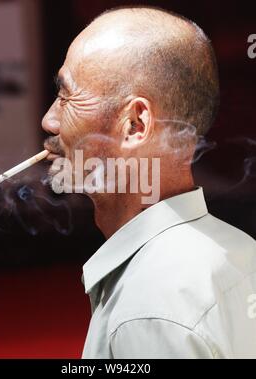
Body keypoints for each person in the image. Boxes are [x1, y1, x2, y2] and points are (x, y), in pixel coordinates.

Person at [42, 6, 256, 358]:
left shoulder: (149, 304)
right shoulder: (240, 249)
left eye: (67, 96)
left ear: (136, 125)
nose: (49, 120)